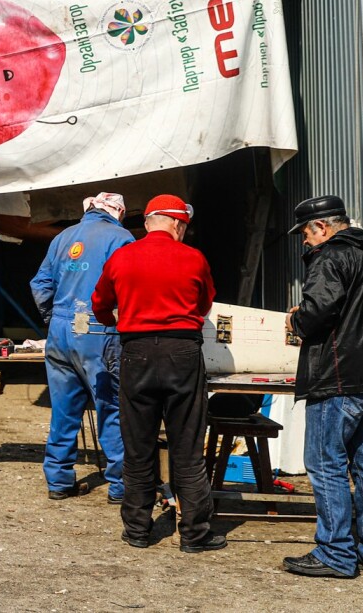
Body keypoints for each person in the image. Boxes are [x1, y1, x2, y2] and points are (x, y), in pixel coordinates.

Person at [281, 195, 363, 579]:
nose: (304, 241)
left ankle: (336, 553)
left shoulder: (329, 257)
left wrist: (296, 320)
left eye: (305, 233)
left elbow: (318, 314)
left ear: (322, 227)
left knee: (325, 462)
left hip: (339, 377)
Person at [92, 194, 224, 553]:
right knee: (187, 448)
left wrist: (115, 321)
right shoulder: (193, 258)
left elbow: (100, 304)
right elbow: (205, 302)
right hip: (182, 352)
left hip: (135, 353)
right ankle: (195, 535)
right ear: (178, 224)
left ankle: (137, 529)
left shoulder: (122, 256)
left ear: (148, 222)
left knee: (138, 447)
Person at [30, 191, 133, 502]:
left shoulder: (63, 237)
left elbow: (40, 284)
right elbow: (127, 287)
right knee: (112, 408)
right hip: (100, 330)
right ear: (118, 212)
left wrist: (53, 318)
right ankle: (120, 486)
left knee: (63, 410)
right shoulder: (121, 237)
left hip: (60, 329)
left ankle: (59, 481)